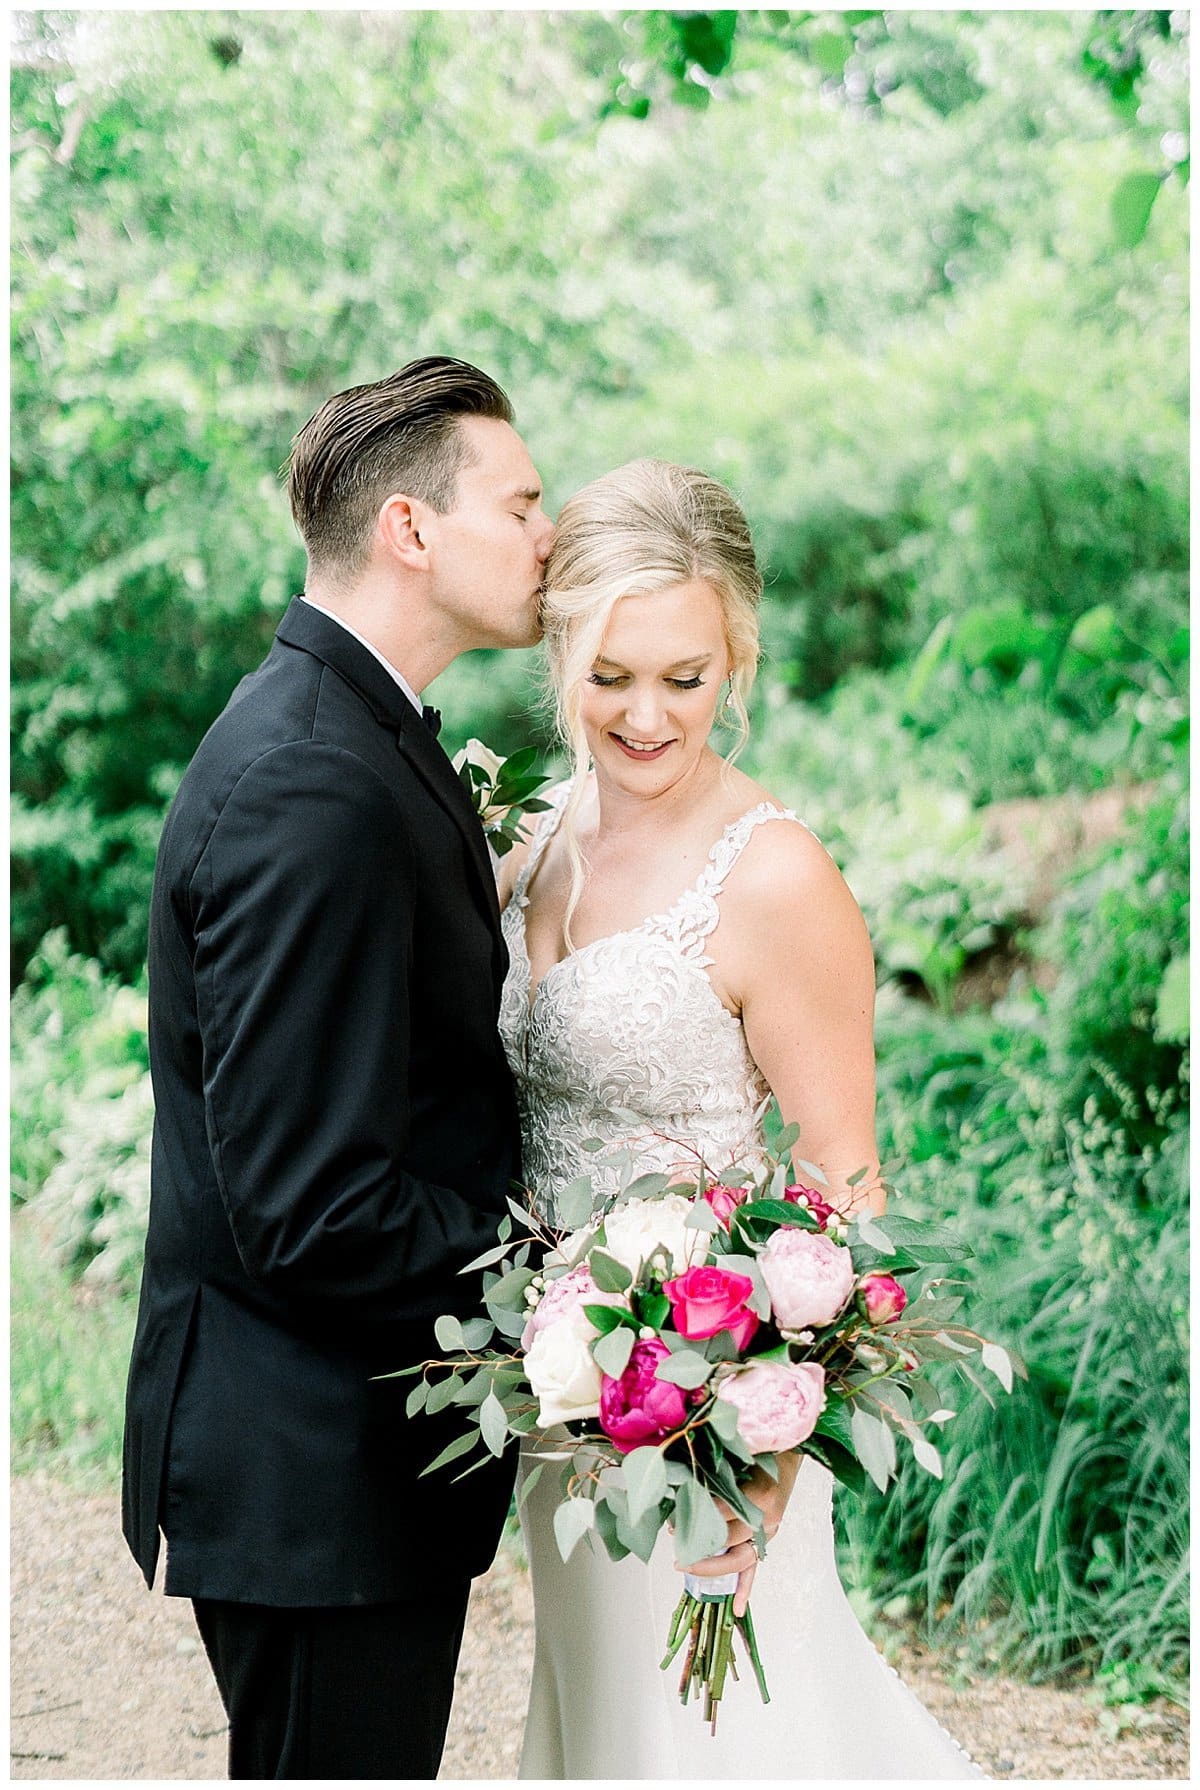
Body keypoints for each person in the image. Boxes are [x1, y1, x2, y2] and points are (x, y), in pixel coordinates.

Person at [496, 459, 981, 1778]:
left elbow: (848, 1184)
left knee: (719, 1738)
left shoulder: (772, 876)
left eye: (686, 677)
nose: (646, 716)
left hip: (714, 1418)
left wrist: (772, 1455)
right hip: (561, 1404)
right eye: (610, 676)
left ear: (741, 655)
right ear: (559, 650)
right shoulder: (532, 836)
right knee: (605, 1725)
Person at [122, 356, 554, 1779]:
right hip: (309, 1471)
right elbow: (312, 1203)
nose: (549, 536)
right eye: (523, 503)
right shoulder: (313, 777)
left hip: (338, 1461)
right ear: (411, 529)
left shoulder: (355, 732)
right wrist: (570, 1276)